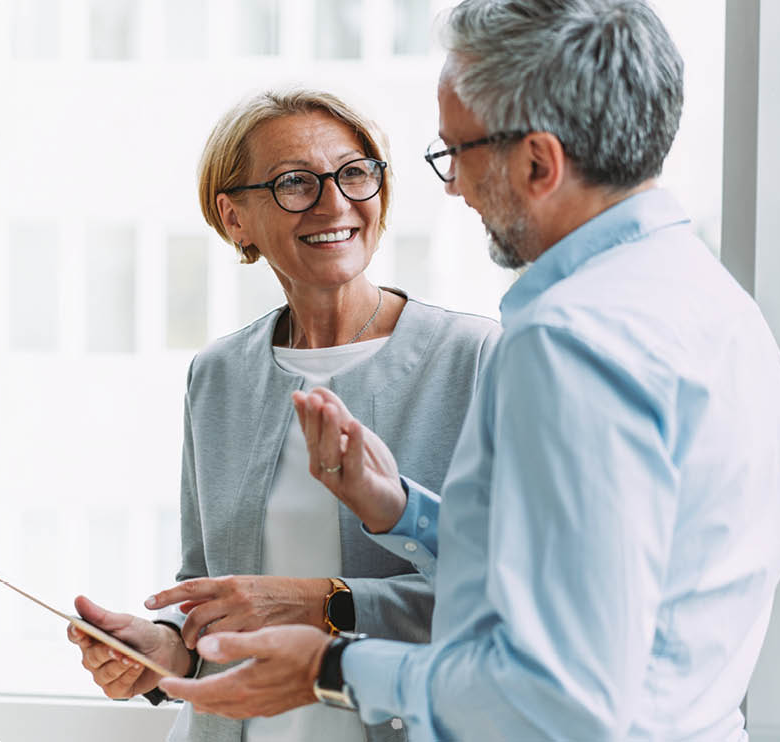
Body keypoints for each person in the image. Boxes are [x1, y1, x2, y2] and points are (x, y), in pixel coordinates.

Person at [158, 2, 780, 740]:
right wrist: (401, 512)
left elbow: (558, 696)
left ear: (537, 162)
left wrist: (328, 668)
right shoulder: (711, 304)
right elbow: (584, 570)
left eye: (457, 151)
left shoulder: (570, 344)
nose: (453, 185)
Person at [66, 89, 501, 742]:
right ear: (234, 217)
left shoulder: (477, 360)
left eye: (354, 172)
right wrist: (166, 650)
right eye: (296, 182)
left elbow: (504, 603)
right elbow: (209, 588)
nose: (335, 203)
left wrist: (322, 602)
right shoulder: (216, 375)